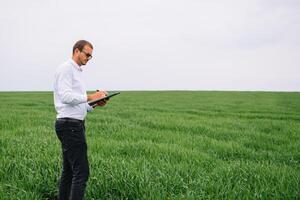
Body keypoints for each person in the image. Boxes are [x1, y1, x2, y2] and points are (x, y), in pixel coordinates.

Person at [53, 40, 107, 200]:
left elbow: (79, 104)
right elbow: (65, 96)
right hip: (69, 125)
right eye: (87, 54)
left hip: (73, 123)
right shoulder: (66, 69)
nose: (88, 59)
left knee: (69, 171)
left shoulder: (78, 72)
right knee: (82, 172)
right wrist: (92, 96)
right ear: (77, 51)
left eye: (91, 56)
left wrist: (96, 103)